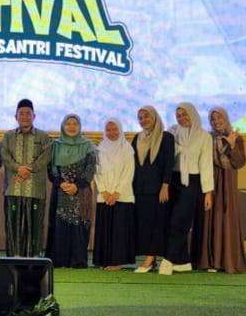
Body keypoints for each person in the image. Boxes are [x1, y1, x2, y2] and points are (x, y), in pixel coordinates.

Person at [191, 107, 246, 273]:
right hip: (210, 180)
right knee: (209, 217)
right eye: (213, 119)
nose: (216, 121)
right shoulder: (208, 138)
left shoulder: (236, 137)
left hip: (227, 182)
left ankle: (225, 261)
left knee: (225, 215)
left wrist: (232, 145)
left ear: (226, 118)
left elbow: (239, 162)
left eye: (219, 117)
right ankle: (209, 261)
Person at [159, 102, 213, 275]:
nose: (181, 118)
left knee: (180, 221)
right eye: (178, 115)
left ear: (193, 114)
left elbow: (206, 165)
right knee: (170, 220)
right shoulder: (172, 132)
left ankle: (168, 259)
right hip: (173, 180)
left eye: (185, 114)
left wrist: (208, 193)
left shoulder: (204, 136)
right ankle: (183, 261)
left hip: (192, 182)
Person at [0, 99, 52, 257]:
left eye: (28, 113)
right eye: (21, 113)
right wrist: (18, 168)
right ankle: (13, 261)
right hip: (13, 189)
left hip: (35, 190)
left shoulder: (43, 137)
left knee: (34, 229)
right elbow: (4, 156)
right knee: (13, 228)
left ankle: (33, 262)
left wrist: (28, 170)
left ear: (34, 116)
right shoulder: (8, 136)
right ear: (15, 116)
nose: (24, 116)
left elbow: (46, 157)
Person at [45, 114, 96, 268]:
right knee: (60, 224)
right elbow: (51, 170)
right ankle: (60, 260)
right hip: (60, 191)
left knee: (79, 224)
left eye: (75, 123)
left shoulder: (88, 145)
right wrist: (61, 183)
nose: (72, 127)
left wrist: (76, 186)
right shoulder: (55, 146)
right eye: (68, 123)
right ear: (63, 126)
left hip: (81, 191)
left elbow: (90, 169)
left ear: (80, 126)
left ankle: (78, 261)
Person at [131, 106, 175, 273]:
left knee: (157, 223)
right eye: (140, 118)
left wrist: (165, 185)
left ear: (155, 117)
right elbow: (134, 164)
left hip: (158, 189)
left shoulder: (166, 137)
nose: (144, 120)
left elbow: (169, 163)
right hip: (140, 188)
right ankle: (151, 258)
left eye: (146, 116)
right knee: (145, 223)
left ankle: (150, 259)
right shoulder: (137, 138)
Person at [93, 118, 136, 270]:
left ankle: (117, 262)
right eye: (108, 130)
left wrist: (117, 193)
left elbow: (128, 172)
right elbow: (97, 172)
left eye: (115, 129)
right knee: (105, 229)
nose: (112, 133)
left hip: (122, 196)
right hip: (104, 196)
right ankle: (104, 260)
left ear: (120, 129)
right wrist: (104, 191)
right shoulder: (100, 149)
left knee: (119, 231)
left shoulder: (127, 148)